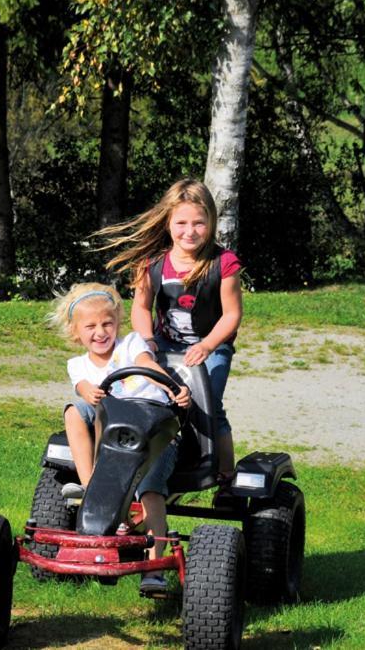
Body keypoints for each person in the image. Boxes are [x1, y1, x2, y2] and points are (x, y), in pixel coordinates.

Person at [95, 178, 242, 496]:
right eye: (181, 223)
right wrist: (146, 339)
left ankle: (226, 477)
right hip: (164, 342)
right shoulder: (152, 263)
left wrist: (207, 345)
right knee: (151, 396)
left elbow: (231, 315)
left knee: (209, 405)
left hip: (210, 345)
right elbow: (141, 307)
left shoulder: (224, 263)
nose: (190, 232)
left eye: (199, 223)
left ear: (211, 222)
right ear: (168, 222)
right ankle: (154, 460)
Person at [48, 282, 191, 592]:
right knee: (74, 411)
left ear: (117, 325)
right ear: (76, 334)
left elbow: (146, 364)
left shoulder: (130, 345)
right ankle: (91, 487)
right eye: (91, 327)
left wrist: (173, 387)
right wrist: (88, 390)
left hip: (153, 429)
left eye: (107, 323)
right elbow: (83, 389)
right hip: (110, 432)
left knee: (152, 491)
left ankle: (153, 568)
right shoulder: (78, 365)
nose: (101, 332)